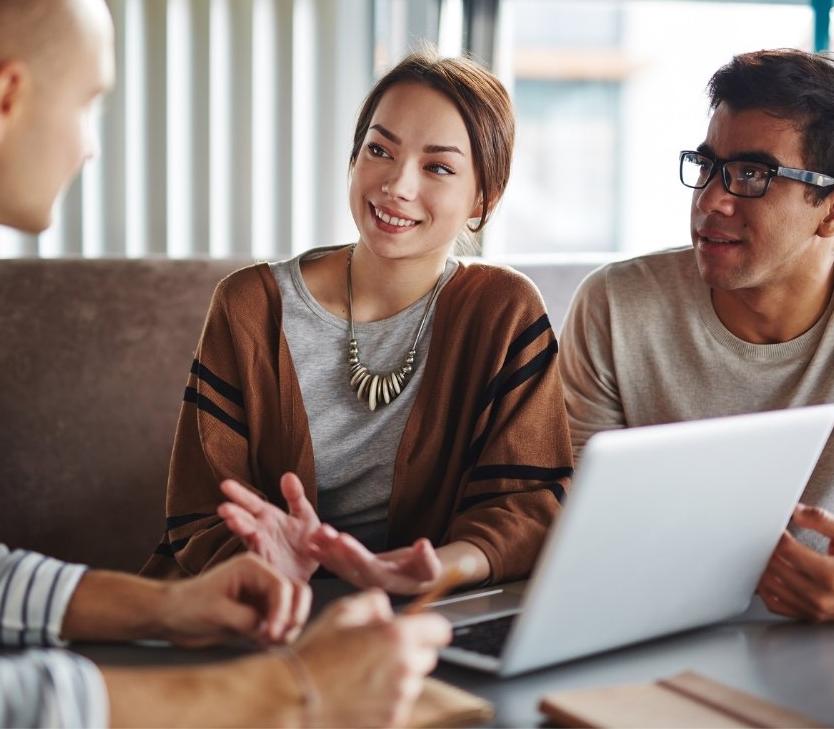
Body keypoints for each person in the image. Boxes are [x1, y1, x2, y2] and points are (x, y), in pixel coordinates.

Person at [0, 0, 450, 726]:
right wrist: (291, 690)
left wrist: (165, 609)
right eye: (87, 102)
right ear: (3, 101)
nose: (92, 147)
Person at [558, 48, 834, 622]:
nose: (711, 200)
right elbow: (576, 520)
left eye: (753, 175)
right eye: (707, 166)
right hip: (646, 626)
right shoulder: (615, 304)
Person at [142, 50, 574, 595]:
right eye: (379, 150)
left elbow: (530, 506)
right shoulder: (250, 306)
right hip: (253, 610)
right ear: (354, 158)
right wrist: (282, 574)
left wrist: (435, 570)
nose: (397, 185)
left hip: (425, 614)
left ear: (483, 198)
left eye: (437, 167)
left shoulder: (504, 310)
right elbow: (201, 510)